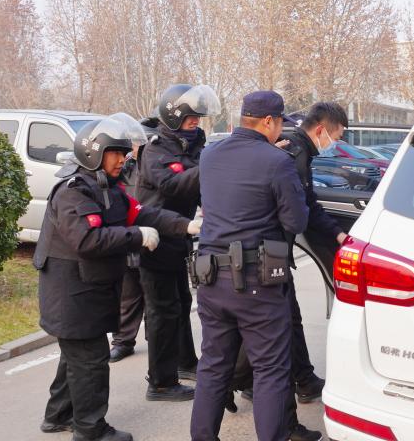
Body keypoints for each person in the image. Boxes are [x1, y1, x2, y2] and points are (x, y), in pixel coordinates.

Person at [34, 114, 202, 441]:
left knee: (76, 356)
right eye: (115, 153)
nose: (122, 160)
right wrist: (136, 236)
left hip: (87, 289)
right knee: (90, 360)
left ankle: (58, 416)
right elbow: (86, 240)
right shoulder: (73, 191)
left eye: (124, 153)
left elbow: (142, 212)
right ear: (93, 152)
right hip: (71, 294)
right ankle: (91, 430)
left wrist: (185, 225)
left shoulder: (107, 187)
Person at [190, 90, 309, 441]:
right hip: (257, 282)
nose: (281, 130)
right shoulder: (277, 162)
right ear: (269, 121)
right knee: (270, 370)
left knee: (213, 367)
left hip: (210, 278)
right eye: (280, 123)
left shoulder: (210, 154)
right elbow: (296, 221)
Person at [231, 102, 349, 441]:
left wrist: (337, 234)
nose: (335, 143)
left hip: (269, 255)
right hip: (267, 257)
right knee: (276, 335)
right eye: (336, 136)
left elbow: (307, 204)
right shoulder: (293, 155)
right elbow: (299, 212)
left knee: (288, 323)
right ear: (321, 129)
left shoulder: (299, 152)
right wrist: (333, 234)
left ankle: (302, 381)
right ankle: (242, 384)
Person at [127, 84, 220, 401]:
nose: (196, 121)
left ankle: (184, 363)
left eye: (198, 117)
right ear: (173, 115)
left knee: (180, 303)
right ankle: (161, 382)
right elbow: (172, 184)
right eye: (190, 117)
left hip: (180, 234)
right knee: (161, 311)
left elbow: (199, 185)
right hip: (154, 237)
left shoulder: (192, 144)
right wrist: (209, 166)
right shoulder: (156, 148)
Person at [108, 155, 146, 363]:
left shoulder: (157, 159)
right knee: (128, 292)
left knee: (156, 294)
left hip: (152, 230)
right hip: (127, 233)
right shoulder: (124, 167)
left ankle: (157, 340)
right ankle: (123, 341)